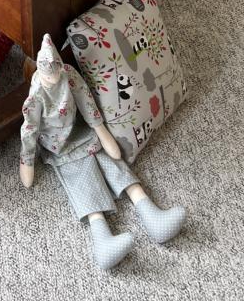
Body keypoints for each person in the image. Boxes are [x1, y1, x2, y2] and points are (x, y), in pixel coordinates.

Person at [20, 35, 186, 271]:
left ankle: (151, 212)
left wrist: (101, 131)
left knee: (113, 164)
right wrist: (27, 161)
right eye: (51, 76)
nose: (55, 79)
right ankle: (103, 239)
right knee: (83, 179)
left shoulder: (68, 74)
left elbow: (85, 99)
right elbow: (30, 128)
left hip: (83, 130)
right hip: (59, 145)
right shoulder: (37, 95)